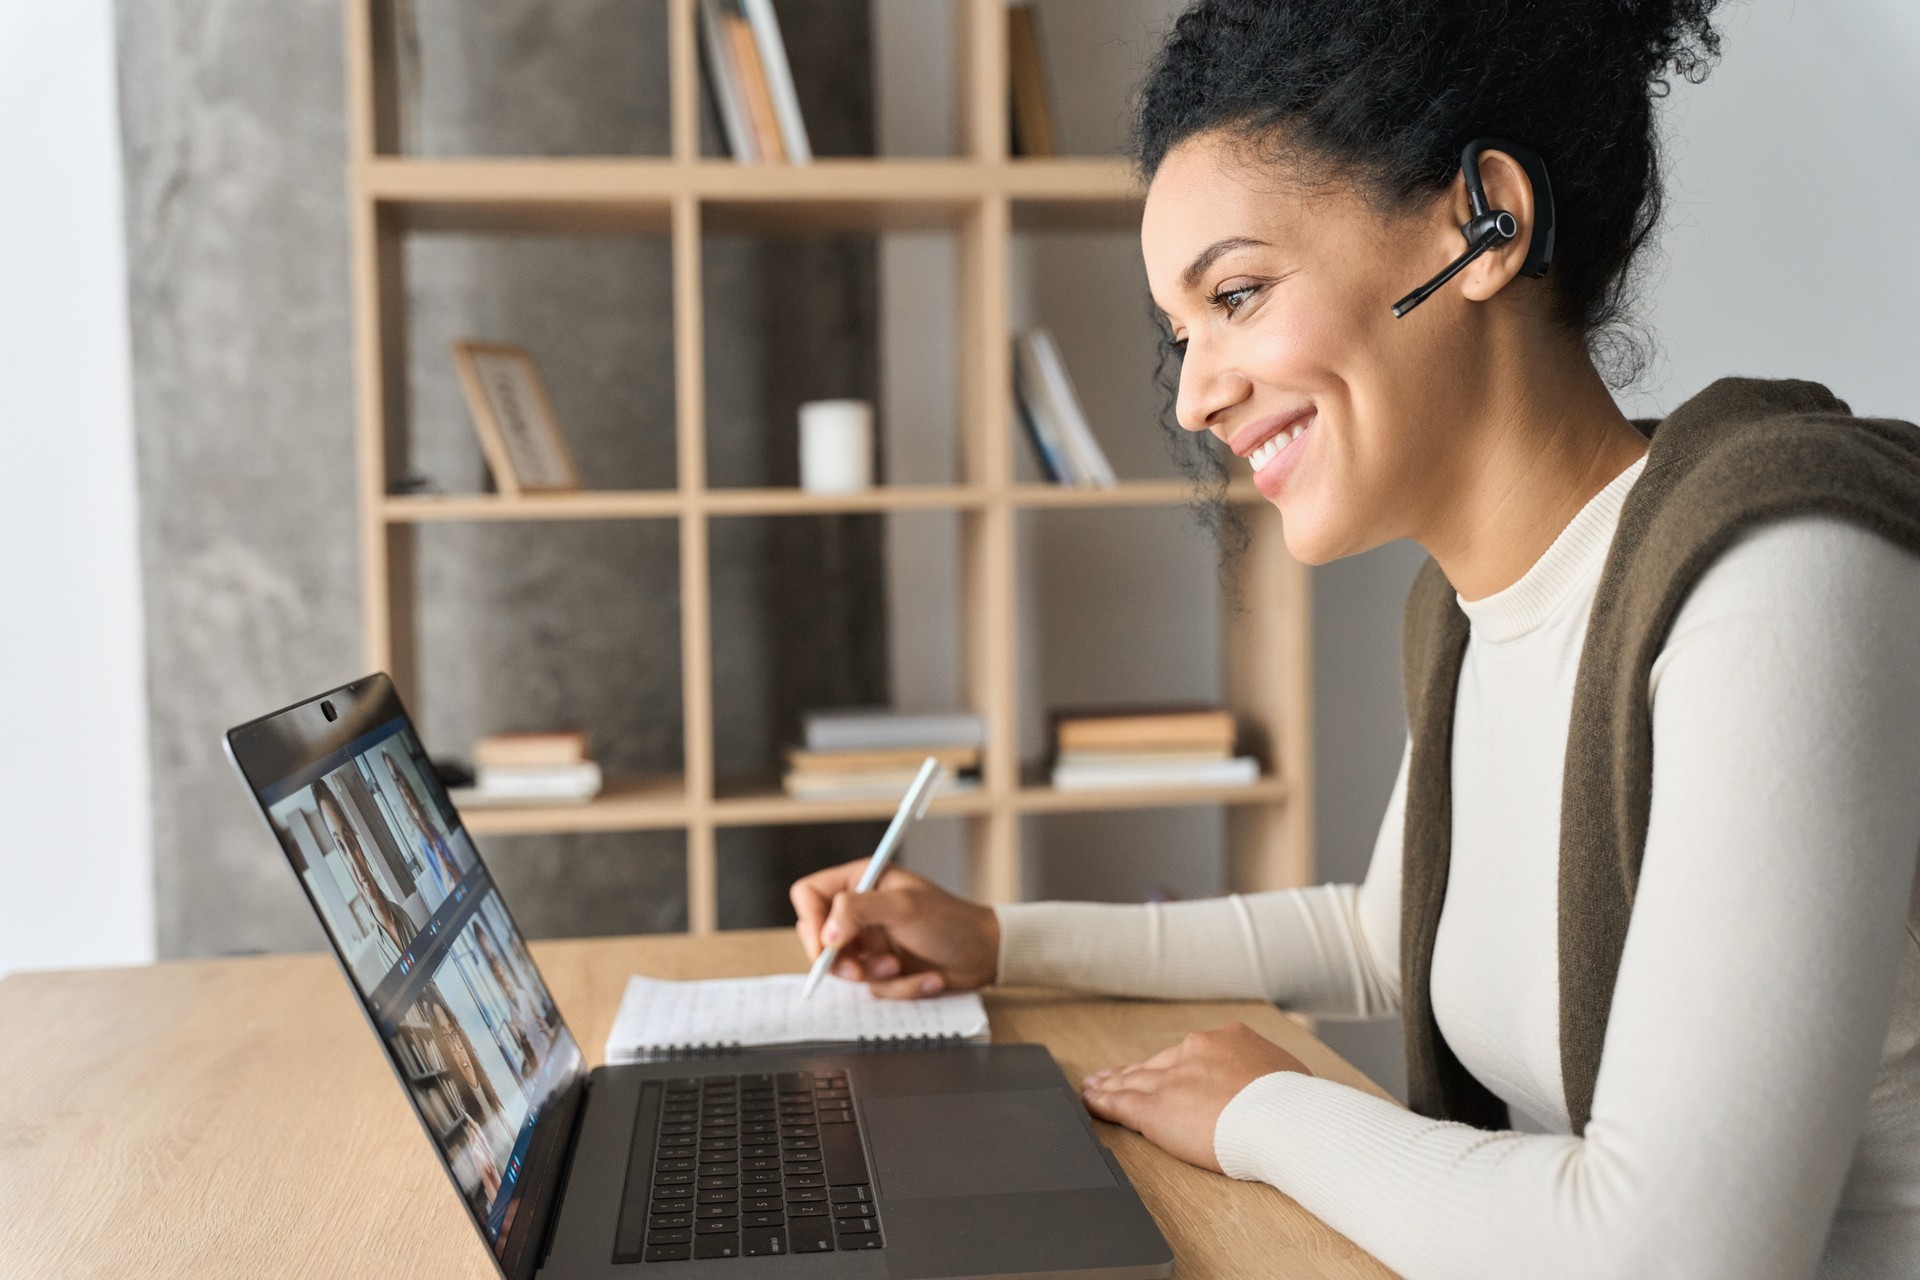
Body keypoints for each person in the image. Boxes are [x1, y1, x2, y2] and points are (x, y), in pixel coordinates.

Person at [788, 2, 1920, 1277]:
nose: (1198, 392)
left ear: (1484, 221)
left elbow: (1674, 1252)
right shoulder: (1461, 610)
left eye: (1239, 293)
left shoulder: (1778, 570)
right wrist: (1001, 939)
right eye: (1183, 333)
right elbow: (1388, 932)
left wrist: (1266, 1110)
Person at [313, 777, 420, 960]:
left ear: (359, 844)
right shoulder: (381, 950)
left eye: (350, 842)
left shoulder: (401, 916)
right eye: (341, 846)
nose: (357, 867)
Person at [382, 751, 464, 899]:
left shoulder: (432, 829)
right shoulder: (423, 842)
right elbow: (446, 888)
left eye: (401, 779)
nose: (405, 791)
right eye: (396, 781)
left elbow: (456, 871)